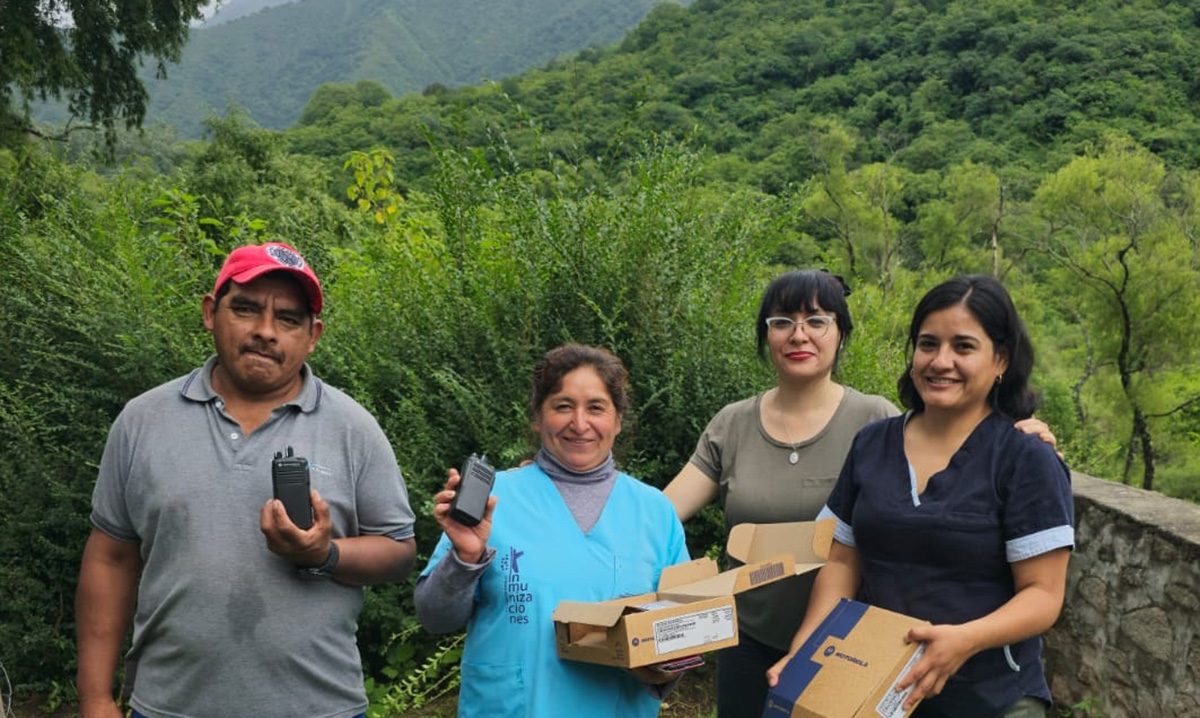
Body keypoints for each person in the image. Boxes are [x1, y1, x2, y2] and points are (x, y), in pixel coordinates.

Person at [662, 269, 1058, 718]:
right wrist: (807, 650)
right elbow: (842, 560)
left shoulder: (1006, 452)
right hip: (853, 671)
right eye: (928, 344)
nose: (941, 360)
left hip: (981, 690)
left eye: (963, 346)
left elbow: (1043, 592)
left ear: (1001, 358)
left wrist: (966, 639)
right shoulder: (873, 443)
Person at [75, 242, 417, 718]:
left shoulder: (353, 428)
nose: (265, 331)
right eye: (246, 309)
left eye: (288, 319)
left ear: (313, 336)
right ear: (210, 313)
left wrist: (324, 554)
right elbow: (111, 558)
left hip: (320, 707)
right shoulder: (142, 420)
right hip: (167, 707)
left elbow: (400, 553)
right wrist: (95, 699)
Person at [414, 343, 689, 718]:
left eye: (596, 407)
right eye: (563, 406)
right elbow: (435, 617)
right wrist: (465, 557)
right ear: (537, 417)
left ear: (618, 420)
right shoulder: (492, 501)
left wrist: (664, 668)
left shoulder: (654, 512)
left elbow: (684, 633)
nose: (579, 423)